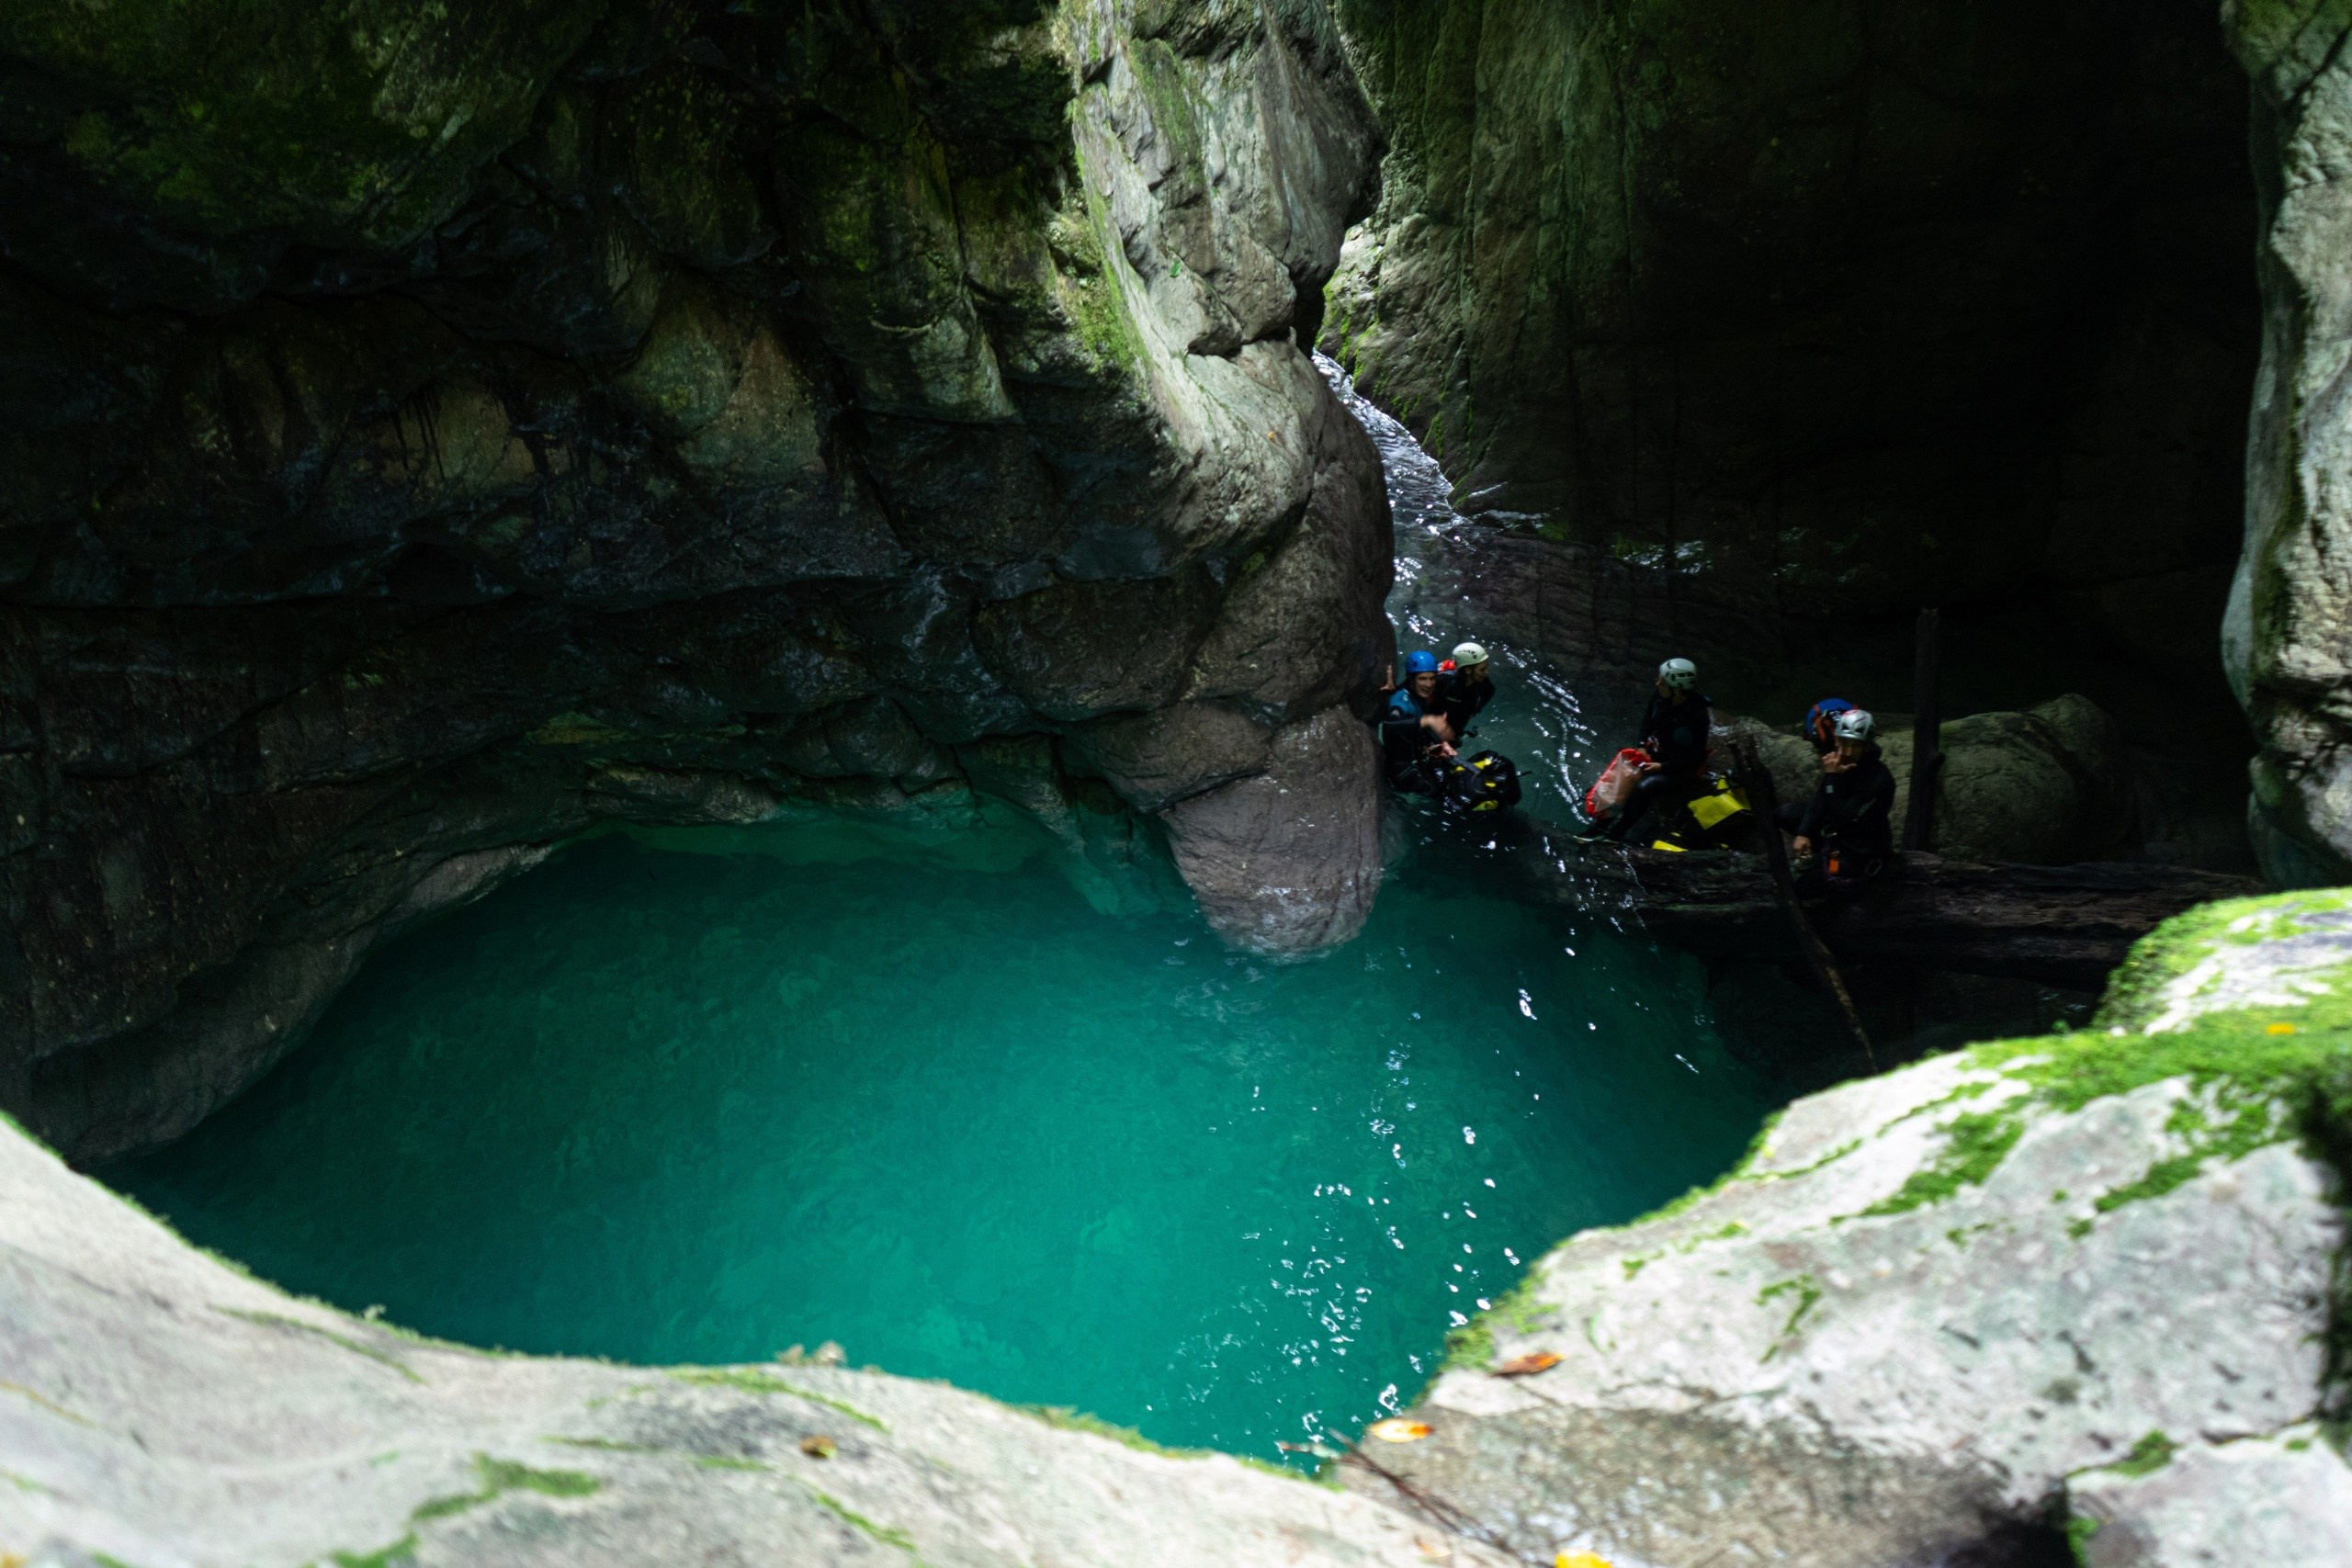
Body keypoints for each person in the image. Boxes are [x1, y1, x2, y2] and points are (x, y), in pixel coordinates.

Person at [1609, 657, 1712, 841]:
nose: (1657, 683)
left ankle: (1618, 831)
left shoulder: (1696, 715)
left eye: (1662, 681)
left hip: (1678, 767)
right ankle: (1601, 823)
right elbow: (1646, 722)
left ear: (1677, 688)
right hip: (1655, 753)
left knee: (1643, 788)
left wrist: (1661, 768)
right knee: (1620, 772)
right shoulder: (1660, 698)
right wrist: (1641, 747)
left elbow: (1695, 757)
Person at [1792, 707, 1895, 886]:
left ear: (1867, 746)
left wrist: (1832, 779)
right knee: (1784, 814)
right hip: (1839, 833)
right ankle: (1815, 853)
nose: (1848, 752)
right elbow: (1821, 798)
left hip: (1861, 849)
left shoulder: (1879, 780)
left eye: (1855, 745)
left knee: (1802, 888)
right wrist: (1803, 833)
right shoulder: (1843, 761)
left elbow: (1846, 820)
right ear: (1837, 741)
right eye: (1844, 743)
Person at [1381, 650, 1456, 794]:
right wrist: (1426, 720)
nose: (1429, 684)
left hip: (1416, 759)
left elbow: (1420, 727)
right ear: (1411, 679)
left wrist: (1441, 744)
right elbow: (1389, 724)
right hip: (1400, 768)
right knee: (1441, 796)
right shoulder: (1402, 699)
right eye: (1423, 679)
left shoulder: (1420, 696)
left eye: (1432, 678)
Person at [1438, 642, 1495, 739]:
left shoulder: (1486, 687)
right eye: (1482, 669)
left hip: (1457, 720)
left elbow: (1469, 713)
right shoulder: (1443, 681)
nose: (1486, 672)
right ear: (1468, 670)